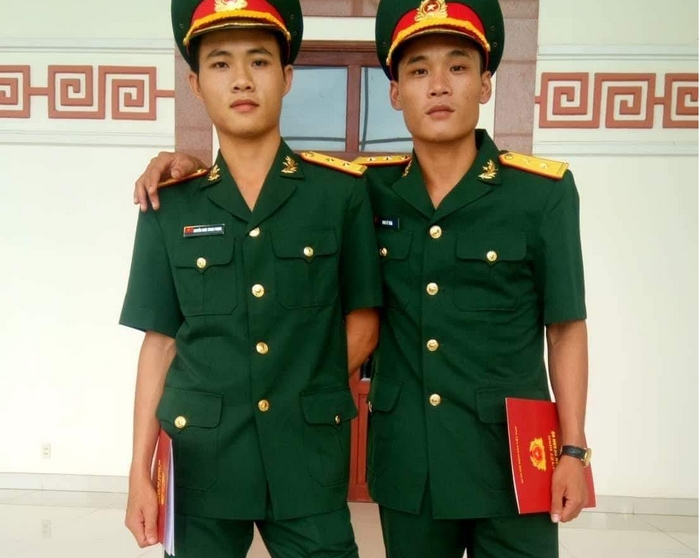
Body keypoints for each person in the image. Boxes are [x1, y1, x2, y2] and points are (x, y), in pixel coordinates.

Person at [133, 1, 591, 556]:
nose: (439, 86)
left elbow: (566, 328)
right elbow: (262, 189)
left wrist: (574, 449)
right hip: (410, 460)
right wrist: (183, 163)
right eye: (419, 71)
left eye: (458, 66)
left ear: (486, 82)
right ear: (396, 93)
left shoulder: (538, 195)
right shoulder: (368, 189)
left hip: (514, 455)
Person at [120, 1, 382, 557]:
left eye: (259, 61)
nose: (241, 79)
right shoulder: (170, 205)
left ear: (286, 78)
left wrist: (302, 394)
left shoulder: (339, 194)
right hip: (201, 459)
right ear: (195, 84)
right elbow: (160, 343)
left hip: (306, 458)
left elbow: (363, 324)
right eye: (220, 63)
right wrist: (139, 471)